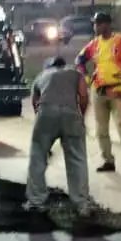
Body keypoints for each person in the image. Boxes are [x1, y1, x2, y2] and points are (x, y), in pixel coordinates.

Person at [76, 11, 121, 177]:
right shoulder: (94, 44)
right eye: (95, 24)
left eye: (98, 24)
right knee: (101, 129)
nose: (95, 27)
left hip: (118, 91)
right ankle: (108, 160)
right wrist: (87, 79)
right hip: (99, 91)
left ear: (106, 24)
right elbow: (79, 60)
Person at [26, 55, 91, 214]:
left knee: (38, 156)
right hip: (71, 115)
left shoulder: (42, 75)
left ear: (48, 66)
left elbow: (35, 101)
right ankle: (81, 203)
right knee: (77, 159)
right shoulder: (75, 73)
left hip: (47, 113)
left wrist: (42, 123)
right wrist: (81, 117)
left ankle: (36, 201)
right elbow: (83, 96)